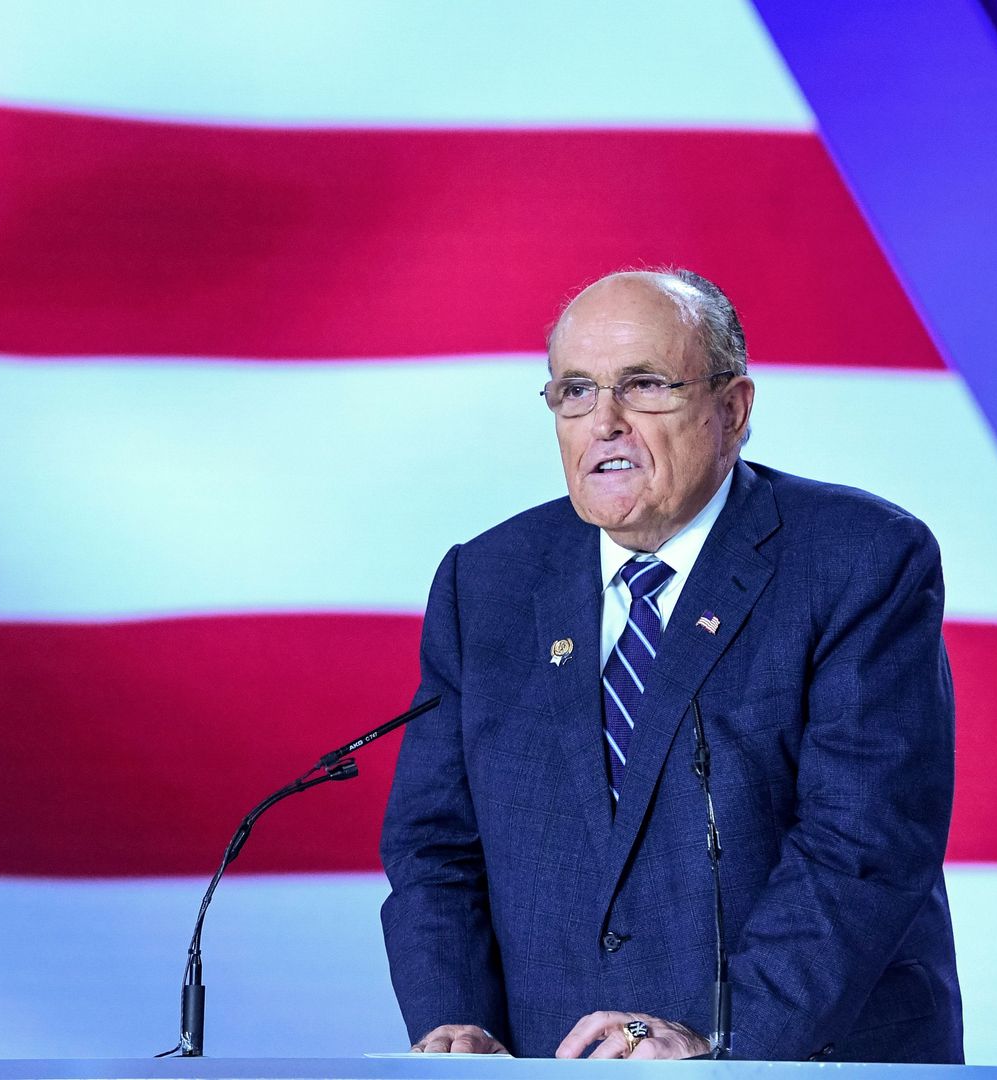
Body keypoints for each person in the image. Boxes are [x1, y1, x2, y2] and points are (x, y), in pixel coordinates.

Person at [379, 269, 962, 1061]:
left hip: (798, 1062)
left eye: (644, 385)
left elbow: (860, 845)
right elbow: (434, 846)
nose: (605, 422)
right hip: (549, 1063)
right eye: (575, 391)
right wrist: (458, 1022)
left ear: (733, 410)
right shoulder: (488, 581)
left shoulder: (859, 558)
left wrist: (717, 1049)